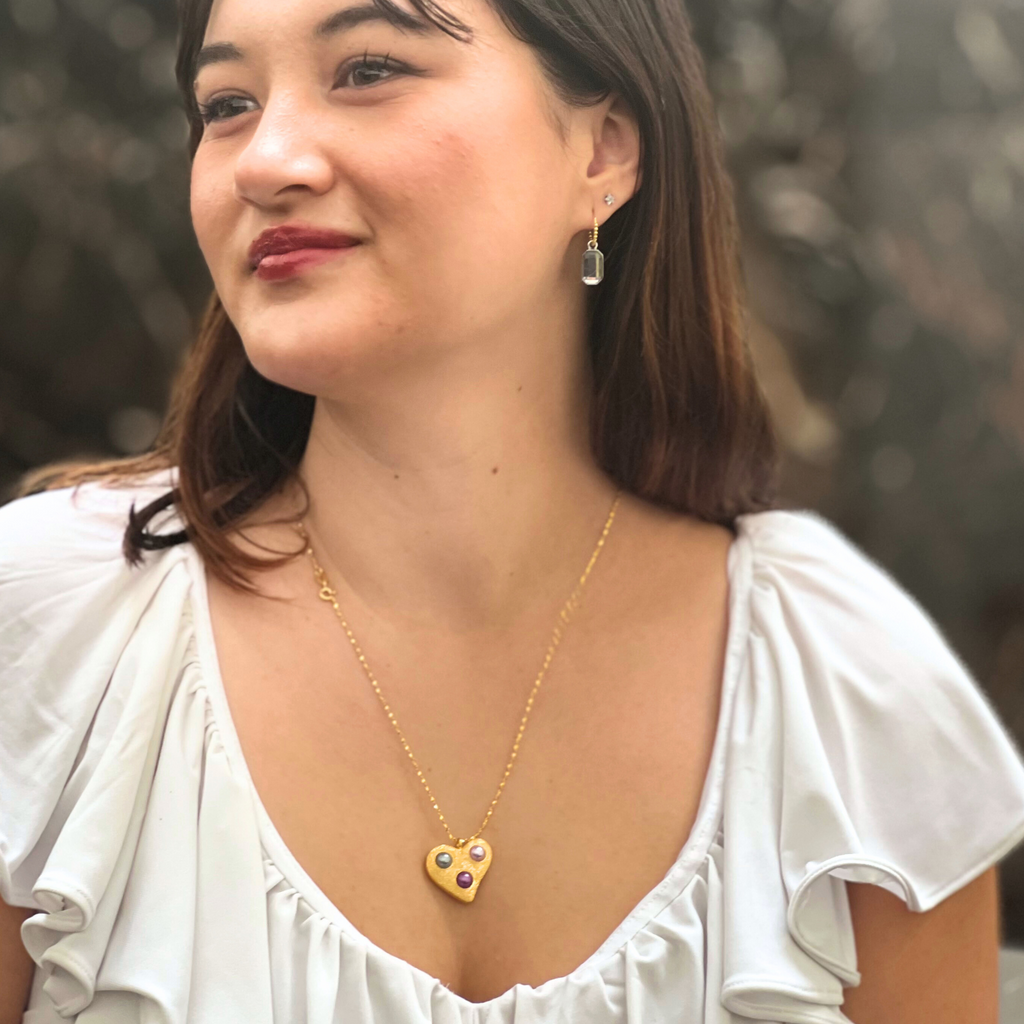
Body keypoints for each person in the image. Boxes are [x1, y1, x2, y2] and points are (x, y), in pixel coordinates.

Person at [2, 0, 1023, 1020]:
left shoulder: (849, 695)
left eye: (365, 71)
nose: (265, 160)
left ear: (602, 151)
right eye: (225, 103)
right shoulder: (57, 640)